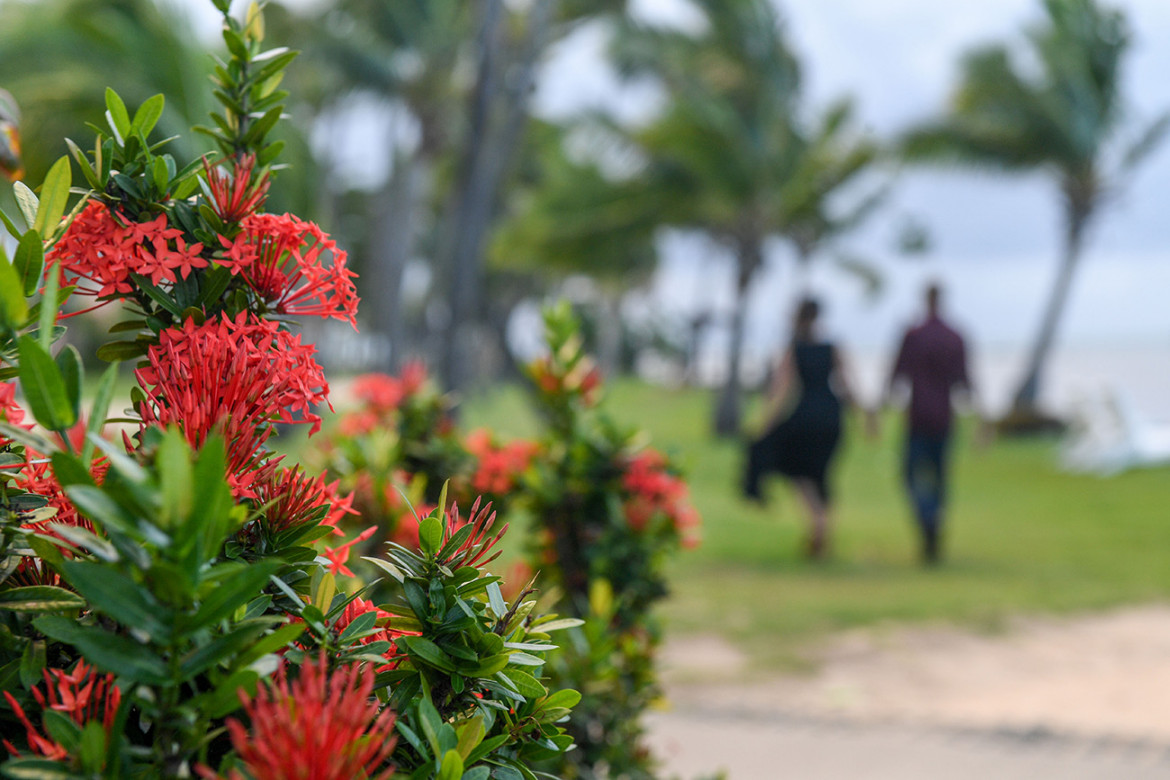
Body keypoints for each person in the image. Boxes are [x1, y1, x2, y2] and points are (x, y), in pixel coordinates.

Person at [744, 297, 858, 559]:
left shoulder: (794, 349)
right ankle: (822, 524)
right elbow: (848, 384)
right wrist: (866, 417)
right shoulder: (832, 347)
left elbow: (782, 392)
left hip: (805, 416)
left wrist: (764, 426)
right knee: (821, 474)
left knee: (799, 471)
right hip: (831, 417)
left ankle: (817, 522)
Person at [883, 282, 978, 565]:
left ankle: (927, 516)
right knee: (939, 476)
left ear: (926, 300)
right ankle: (934, 516)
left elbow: (896, 374)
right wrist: (982, 419)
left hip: (918, 414)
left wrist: (878, 407)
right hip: (944, 416)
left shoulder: (913, 335)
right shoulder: (954, 336)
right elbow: (966, 382)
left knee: (911, 475)